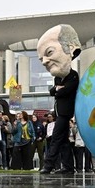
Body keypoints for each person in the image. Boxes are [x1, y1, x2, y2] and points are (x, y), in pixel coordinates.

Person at [37, 24, 81, 175]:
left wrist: (58, 91)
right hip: (59, 112)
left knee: (56, 139)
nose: (44, 61)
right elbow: (53, 92)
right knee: (63, 142)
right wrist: (57, 90)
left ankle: (48, 166)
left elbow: (68, 90)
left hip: (65, 113)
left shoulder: (73, 75)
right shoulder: (57, 78)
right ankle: (68, 167)